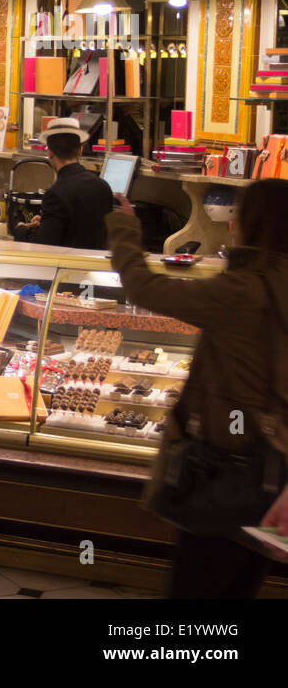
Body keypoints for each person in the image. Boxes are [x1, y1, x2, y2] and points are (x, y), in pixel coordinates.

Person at [108, 181, 288, 598]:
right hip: (276, 475)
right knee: (240, 587)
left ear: (251, 224)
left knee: (199, 587)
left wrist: (124, 229)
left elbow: (143, 288)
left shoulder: (242, 289)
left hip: (224, 472)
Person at [14, 117, 115, 250]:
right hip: (95, 267)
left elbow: (44, 246)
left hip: (67, 268)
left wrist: (21, 230)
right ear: (80, 150)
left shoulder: (55, 194)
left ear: (50, 151)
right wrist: (46, 223)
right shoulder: (103, 186)